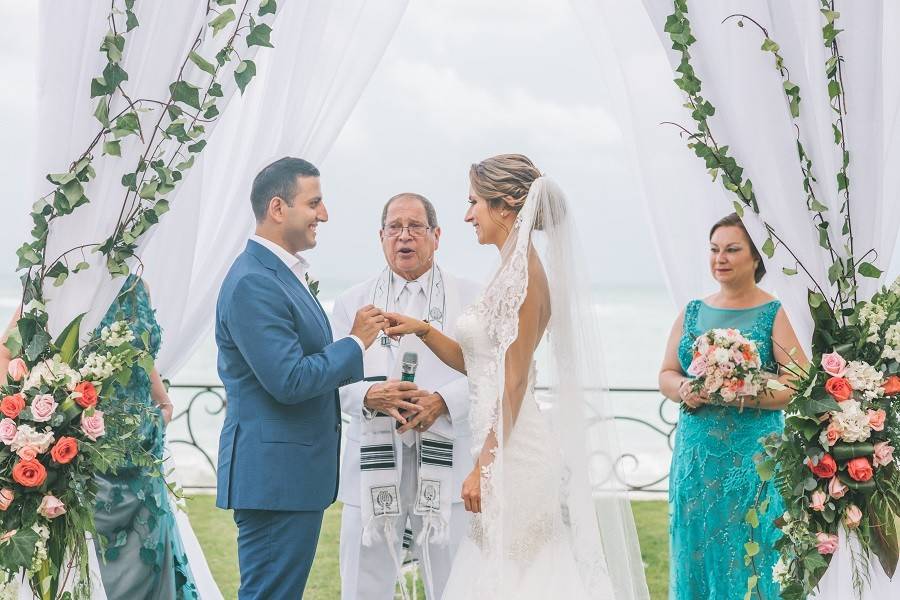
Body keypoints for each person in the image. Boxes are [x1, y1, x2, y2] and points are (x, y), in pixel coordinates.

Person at [384, 154, 649, 599]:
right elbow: (480, 363)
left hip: (515, 453)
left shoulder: (525, 276)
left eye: (474, 203)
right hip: (501, 443)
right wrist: (424, 330)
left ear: (505, 205)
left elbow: (514, 381)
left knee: (522, 575)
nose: (468, 215)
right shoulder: (507, 269)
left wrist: (483, 467)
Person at [214, 157, 385, 599]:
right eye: (314, 203)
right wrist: (355, 343)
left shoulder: (281, 276)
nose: (323, 215)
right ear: (277, 208)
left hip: (289, 479)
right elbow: (288, 379)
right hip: (275, 479)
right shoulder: (255, 281)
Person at [332, 193, 480, 599]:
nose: (404, 236)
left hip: (448, 458)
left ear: (436, 235)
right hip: (373, 462)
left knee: (453, 582)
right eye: (394, 227)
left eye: (415, 226)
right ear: (380, 237)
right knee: (364, 581)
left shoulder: (471, 296)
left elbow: (495, 372)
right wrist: (370, 394)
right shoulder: (351, 302)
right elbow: (331, 380)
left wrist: (445, 401)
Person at [658, 213, 806, 599]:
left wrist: (743, 390)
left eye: (731, 249)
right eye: (714, 250)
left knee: (750, 547)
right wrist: (686, 388)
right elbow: (666, 375)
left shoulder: (774, 312)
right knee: (697, 545)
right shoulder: (692, 311)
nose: (720, 258)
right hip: (697, 457)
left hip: (753, 456)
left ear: (755, 258)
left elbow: (796, 381)